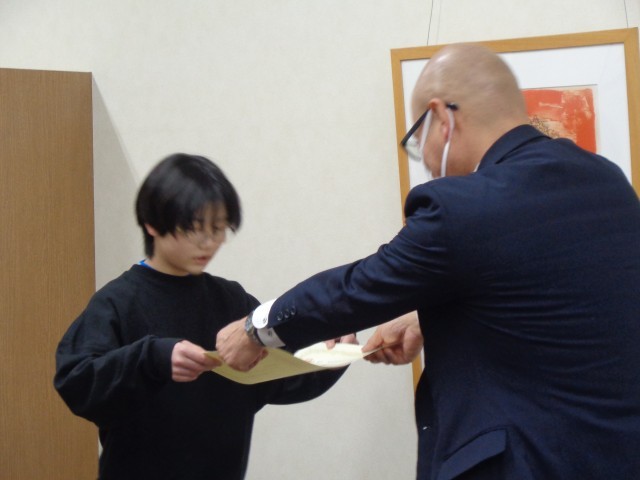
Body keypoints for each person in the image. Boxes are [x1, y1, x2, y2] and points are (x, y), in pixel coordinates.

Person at [216, 43, 640, 479]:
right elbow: (555, 294)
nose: (428, 162)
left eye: (418, 141)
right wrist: (424, 318)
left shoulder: (464, 206)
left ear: (441, 117)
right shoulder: (607, 182)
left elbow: (358, 288)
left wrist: (258, 328)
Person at [54, 153, 354, 480]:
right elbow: (77, 382)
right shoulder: (117, 302)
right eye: (195, 228)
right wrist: (152, 358)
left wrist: (332, 356)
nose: (209, 242)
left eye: (219, 228)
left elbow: (280, 377)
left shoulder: (233, 301)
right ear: (152, 223)